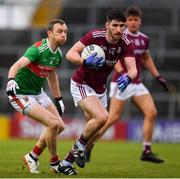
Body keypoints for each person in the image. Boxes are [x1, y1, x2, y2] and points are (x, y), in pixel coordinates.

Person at [85, 6, 169, 163]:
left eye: (135, 20)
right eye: (129, 20)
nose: (132, 22)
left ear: (140, 22)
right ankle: (88, 145)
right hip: (121, 82)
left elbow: (146, 58)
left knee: (152, 113)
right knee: (111, 118)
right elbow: (114, 59)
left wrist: (157, 76)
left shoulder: (144, 39)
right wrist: (123, 73)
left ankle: (146, 150)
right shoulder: (120, 37)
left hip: (136, 83)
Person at [60, 8, 137, 171]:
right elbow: (70, 54)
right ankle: (79, 148)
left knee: (94, 129)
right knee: (103, 117)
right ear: (107, 25)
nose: (119, 30)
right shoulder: (94, 36)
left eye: (122, 26)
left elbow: (133, 70)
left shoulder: (126, 43)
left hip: (100, 89)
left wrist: (128, 77)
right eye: (115, 25)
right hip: (82, 83)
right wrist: (84, 62)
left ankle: (66, 163)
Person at [6, 19, 77, 175]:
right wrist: (11, 80)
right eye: (60, 31)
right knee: (52, 123)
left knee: (60, 126)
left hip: (38, 93)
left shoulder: (58, 54)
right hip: (21, 93)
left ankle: (33, 156)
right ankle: (55, 163)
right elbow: (16, 65)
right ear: (49, 33)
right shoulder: (37, 49)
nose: (64, 35)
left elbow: (52, 75)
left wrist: (58, 99)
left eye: (65, 31)